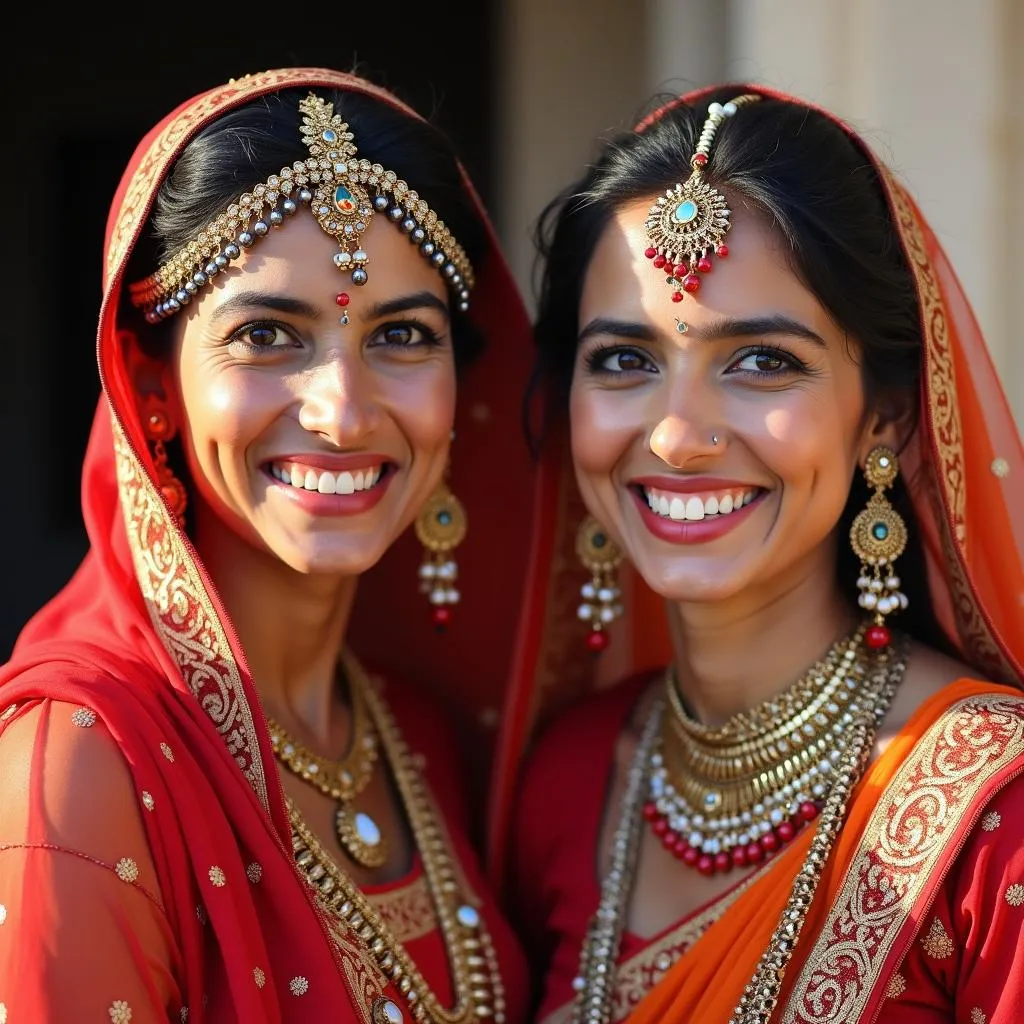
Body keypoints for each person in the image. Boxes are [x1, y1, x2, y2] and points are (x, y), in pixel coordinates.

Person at [0, 66, 538, 1023]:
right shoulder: (81, 766)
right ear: (151, 384)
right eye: (265, 336)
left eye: (404, 335)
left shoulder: (415, 735)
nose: (341, 412)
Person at [493, 84, 1024, 1024]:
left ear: (887, 419)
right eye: (625, 359)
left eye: (762, 361)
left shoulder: (994, 821)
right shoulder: (569, 780)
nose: (676, 437)